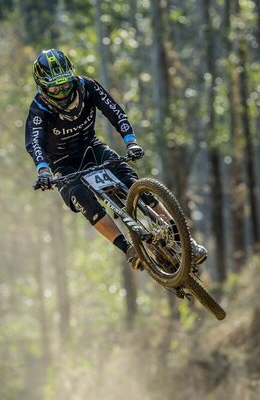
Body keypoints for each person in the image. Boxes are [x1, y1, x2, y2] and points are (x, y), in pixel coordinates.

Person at [24, 48, 207, 270]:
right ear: (43, 87)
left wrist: (131, 142)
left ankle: (186, 242)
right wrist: (43, 170)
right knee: (81, 198)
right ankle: (128, 249)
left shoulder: (87, 87)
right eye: (55, 87)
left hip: (92, 148)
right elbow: (35, 143)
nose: (63, 92)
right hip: (63, 163)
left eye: (65, 84)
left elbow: (115, 112)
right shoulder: (39, 110)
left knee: (134, 184)